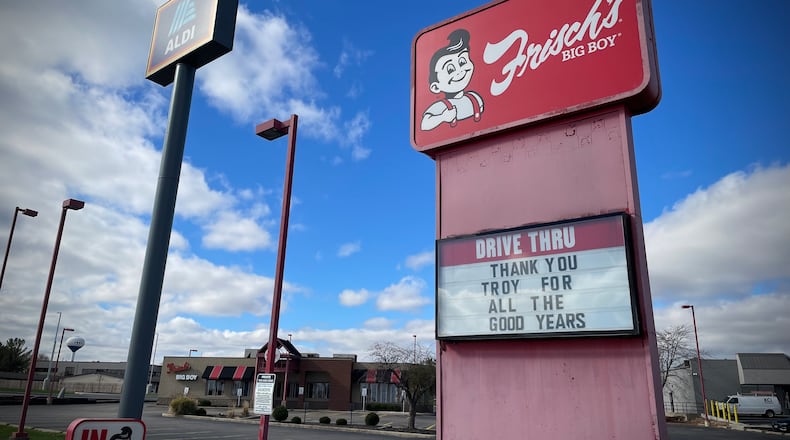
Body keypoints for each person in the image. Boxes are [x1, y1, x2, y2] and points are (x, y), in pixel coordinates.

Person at [420, 29, 484, 131]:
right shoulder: (440, 106)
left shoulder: (475, 98)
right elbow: (424, 125)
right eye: (450, 69)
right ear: (436, 87)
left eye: (462, 61)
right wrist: (442, 117)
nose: (459, 71)